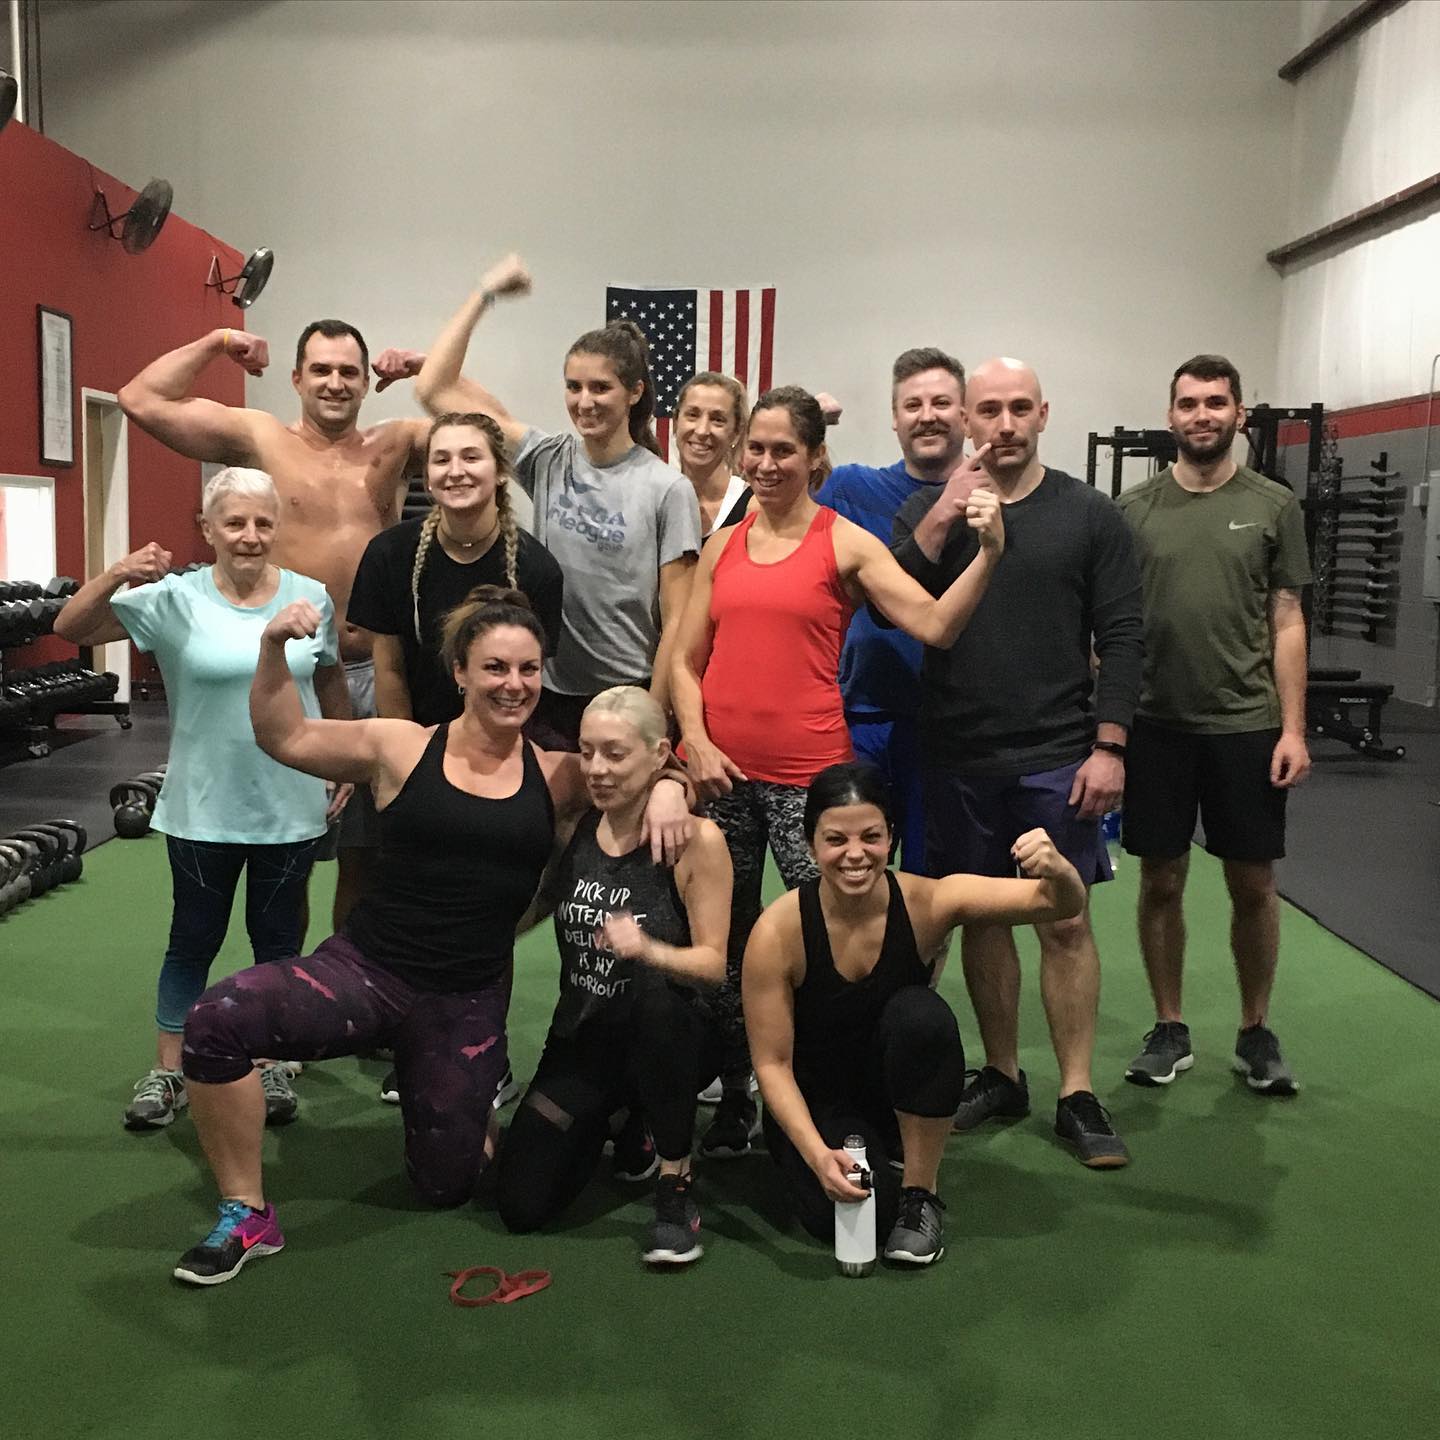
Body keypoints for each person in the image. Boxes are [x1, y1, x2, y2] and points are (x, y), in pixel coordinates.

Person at [170, 588, 694, 1286]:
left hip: (465, 1001)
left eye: (528, 669)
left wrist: (672, 786)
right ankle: (247, 1212)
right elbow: (284, 736)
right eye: (495, 667)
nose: (513, 684)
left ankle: (471, 1108)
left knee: (448, 1184)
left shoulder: (556, 773)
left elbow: (642, 767)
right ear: (460, 672)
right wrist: (271, 649)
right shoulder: (400, 746)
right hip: (365, 972)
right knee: (216, 1021)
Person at [117, 278, 525, 925]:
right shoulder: (259, 437)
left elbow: (497, 438)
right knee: (297, 849)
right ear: (298, 379)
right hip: (298, 673)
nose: (335, 383)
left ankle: (353, 977)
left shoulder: (394, 442)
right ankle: (290, 970)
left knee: (371, 853)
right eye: (322, 371)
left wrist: (429, 370)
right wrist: (218, 341)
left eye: (348, 372)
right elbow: (139, 399)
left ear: (365, 383)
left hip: (380, 672)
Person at [671, 385, 1004, 1159]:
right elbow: (685, 663)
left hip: (809, 782)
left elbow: (934, 624)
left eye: (783, 450)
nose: (765, 464)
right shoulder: (722, 546)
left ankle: (838, 1091)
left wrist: (990, 554)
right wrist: (696, 743)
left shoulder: (845, 543)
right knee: (726, 941)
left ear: (814, 457)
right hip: (721, 778)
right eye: (755, 449)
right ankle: (736, 1092)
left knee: (837, 943)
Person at [892, 357, 1144, 1168]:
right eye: (989, 409)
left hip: (1055, 751)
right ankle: (1002, 1073)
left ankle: (1077, 1092)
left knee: (1064, 919)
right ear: (967, 419)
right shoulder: (927, 510)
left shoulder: (1089, 514)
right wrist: (947, 512)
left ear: (1043, 414)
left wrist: (1110, 746)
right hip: (956, 751)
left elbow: (1123, 635)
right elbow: (895, 599)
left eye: (1019, 409)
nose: (1004, 424)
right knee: (982, 916)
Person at [53, 468, 351, 1131]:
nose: (250, 536)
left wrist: (345, 755)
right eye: (235, 523)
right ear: (207, 528)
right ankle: (170, 1069)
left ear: (277, 527)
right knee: (193, 938)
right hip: (202, 804)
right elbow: (73, 624)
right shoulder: (173, 599)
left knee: (278, 942)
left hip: (289, 801)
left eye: (263, 523)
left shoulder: (311, 596)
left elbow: (329, 678)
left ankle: (271, 1058)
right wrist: (117, 572)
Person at [743, 763, 1086, 1264]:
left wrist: (1059, 869)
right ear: (810, 844)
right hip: (818, 1101)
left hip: (892, 1088)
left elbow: (1059, 904)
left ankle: (921, 1194)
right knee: (852, 1221)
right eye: (836, 839)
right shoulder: (777, 933)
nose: (855, 854)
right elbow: (771, 1065)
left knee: (922, 1016)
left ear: (890, 837)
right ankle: (858, 1163)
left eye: (871, 837)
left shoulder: (929, 902)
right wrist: (817, 1155)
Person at [407, 256, 702, 748]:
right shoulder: (547, 457)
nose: (585, 401)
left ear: (634, 392)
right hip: (543, 692)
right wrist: (485, 293)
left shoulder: (667, 488)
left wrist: (653, 711)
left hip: (624, 694)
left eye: (601, 388)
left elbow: (678, 621)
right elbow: (433, 389)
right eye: (574, 386)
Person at [1116, 354, 1311, 1095]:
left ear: (1238, 414)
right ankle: (1169, 1027)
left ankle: (1256, 1030)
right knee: (1160, 879)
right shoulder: (1133, 510)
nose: (1203, 415)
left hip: (1246, 724)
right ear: (1170, 415)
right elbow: (1111, 625)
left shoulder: (1273, 505)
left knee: (1253, 884)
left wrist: (1293, 729)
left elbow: (1287, 619)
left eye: (1216, 403)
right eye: (1190, 403)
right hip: (1155, 726)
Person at [494, 687, 732, 1264]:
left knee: (657, 1008)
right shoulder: (577, 828)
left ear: (659, 755)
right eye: (587, 751)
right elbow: (537, 907)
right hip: (586, 1038)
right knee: (521, 1204)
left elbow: (713, 966)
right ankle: (626, 1119)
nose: (597, 769)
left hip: (673, 1034)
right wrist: (471, 935)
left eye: (616, 754)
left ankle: (675, 1181)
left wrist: (648, 949)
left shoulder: (696, 841)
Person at [816, 347, 969, 873]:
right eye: (913, 405)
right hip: (862, 716)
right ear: (895, 418)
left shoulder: (995, 498)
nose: (927, 416)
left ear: (965, 413)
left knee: (933, 882)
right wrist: (807, 421)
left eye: (941, 403)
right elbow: (768, 499)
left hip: (952, 727)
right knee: (853, 871)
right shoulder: (851, 489)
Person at [672, 372, 753, 536]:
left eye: (717, 419)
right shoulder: (656, 498)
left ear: (736, 433)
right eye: (693, 415)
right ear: (675, 423)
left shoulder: (752, 506)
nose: (702, 431)